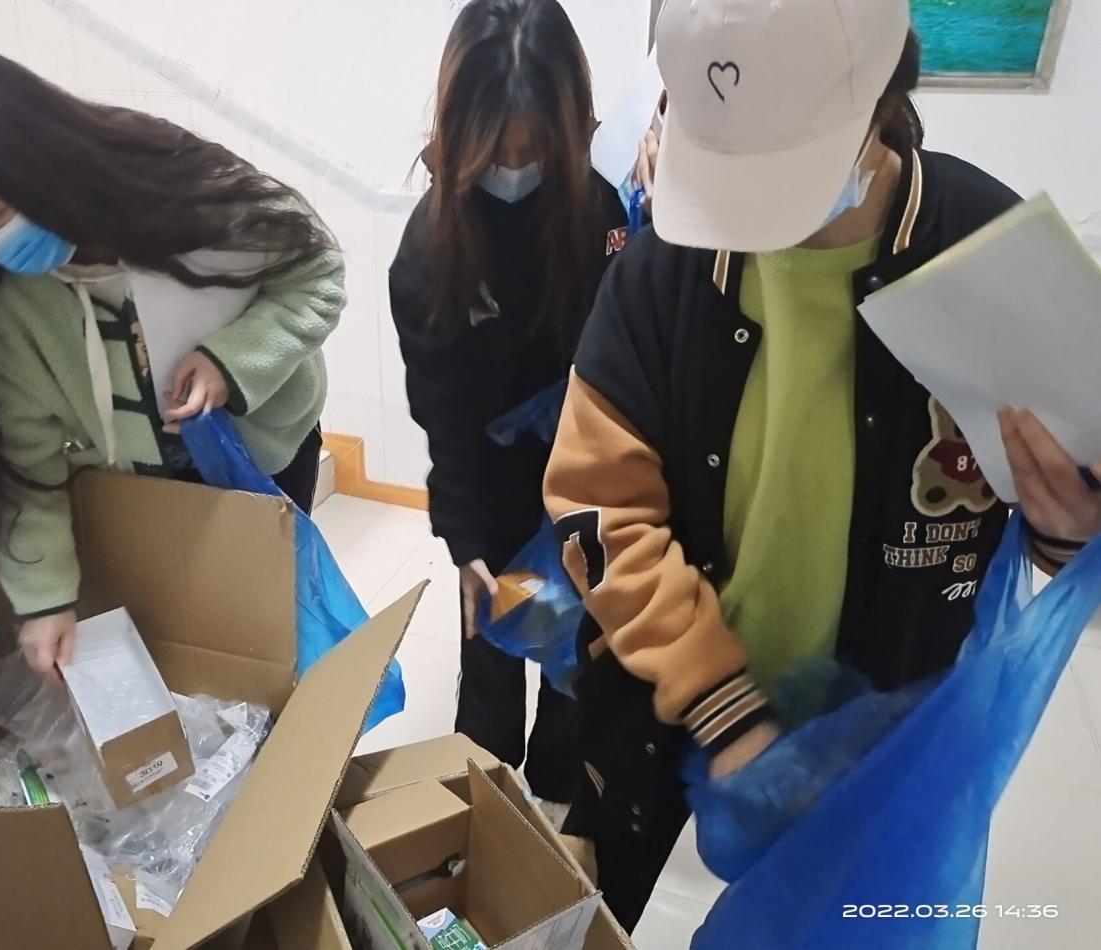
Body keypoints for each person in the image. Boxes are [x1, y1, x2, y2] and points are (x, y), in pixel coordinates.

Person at [544, 0, 1101, 932]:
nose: (755, 220)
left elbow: (1057, 497)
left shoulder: (988, 255)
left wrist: (1065, 526)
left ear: (880, 98)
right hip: (668, 722)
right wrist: (720, 708)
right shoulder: (663, 271)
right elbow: (599, 511)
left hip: (888, 737)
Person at [0, 37, 345, 682]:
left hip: (265, 447)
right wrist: (44, 599)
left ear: (41, 154)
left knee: (281, 627)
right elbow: (22, 460)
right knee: (201, 653)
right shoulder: (0, 304)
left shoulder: (183, 187)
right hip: (141, 481)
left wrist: (233, 362)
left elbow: (316, 275)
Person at [389, 0, 628, 812]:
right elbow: (442, 414)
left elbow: (624, 373)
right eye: (499, 150)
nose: (516, 168)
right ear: (463, 131)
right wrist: (464, 544)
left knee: (574, 659)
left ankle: (559, 796)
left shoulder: (599, 214)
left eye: (535, 150)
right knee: (491, 645)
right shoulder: (431, 247)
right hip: (490, 492)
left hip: (589, 481)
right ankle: (484, 790)